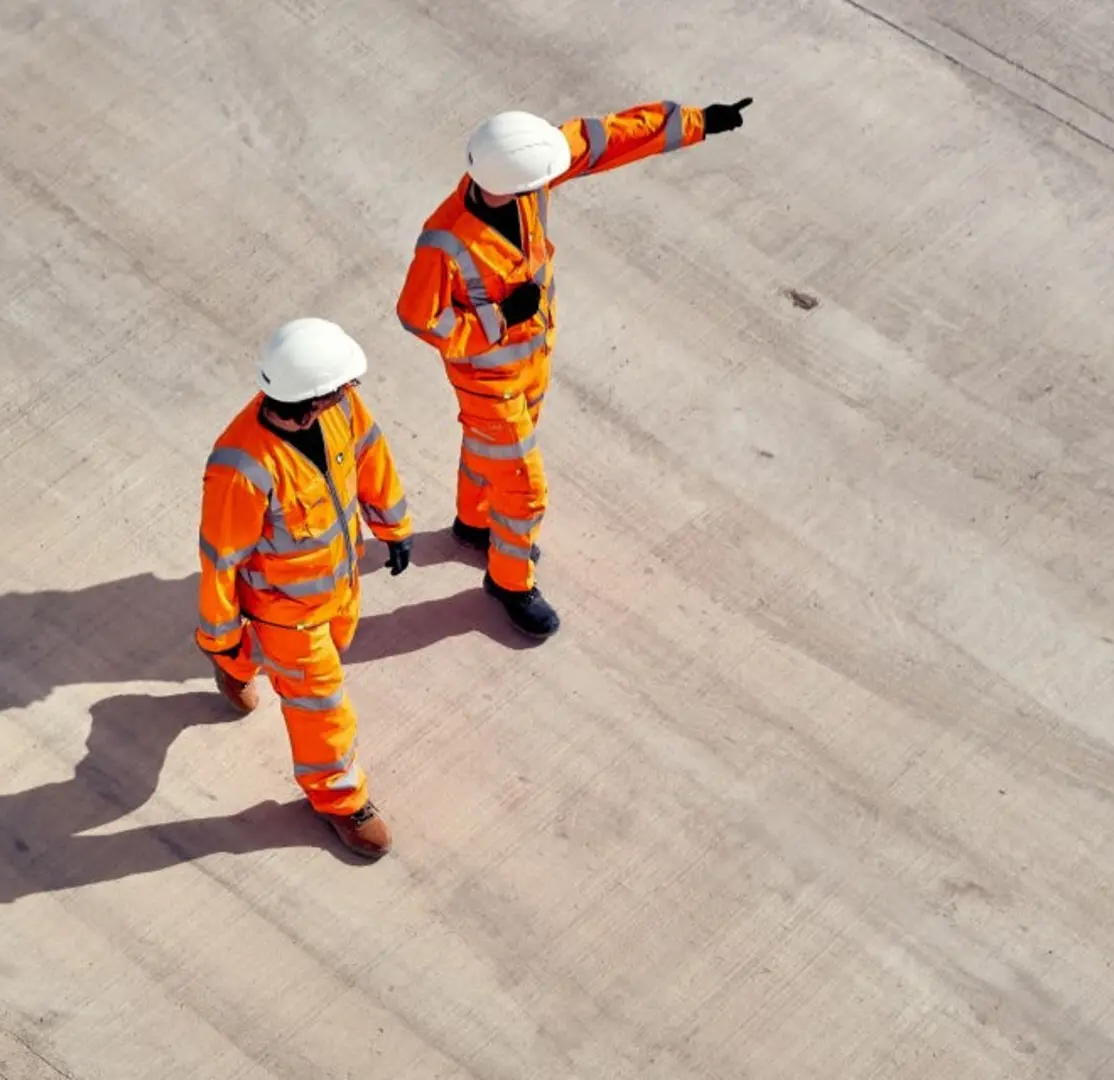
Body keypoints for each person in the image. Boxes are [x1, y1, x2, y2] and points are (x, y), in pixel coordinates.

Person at [395, 96, 754, 637]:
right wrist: (494, 321)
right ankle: (510, 582)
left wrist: (700, 121)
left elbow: (603, 138)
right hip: (488, 377)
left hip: (534, 357)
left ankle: (473, 525)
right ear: (508, 182)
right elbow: (419, 318)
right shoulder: (445, 242)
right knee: (524, 486)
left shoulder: (525, 168)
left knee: (485, 449)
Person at [194, 317, 414, 859]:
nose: (350, 393)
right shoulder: (241, 468)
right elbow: (220, 562)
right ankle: (340, 802)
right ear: (311, 398)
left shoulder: (341, 410)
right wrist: (220, 633)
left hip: (339, 588)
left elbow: (370, 454)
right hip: (285, 615)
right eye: (341, 386)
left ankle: (240, 665)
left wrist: (393, 524)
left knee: (326, 657)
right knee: (323, 706)